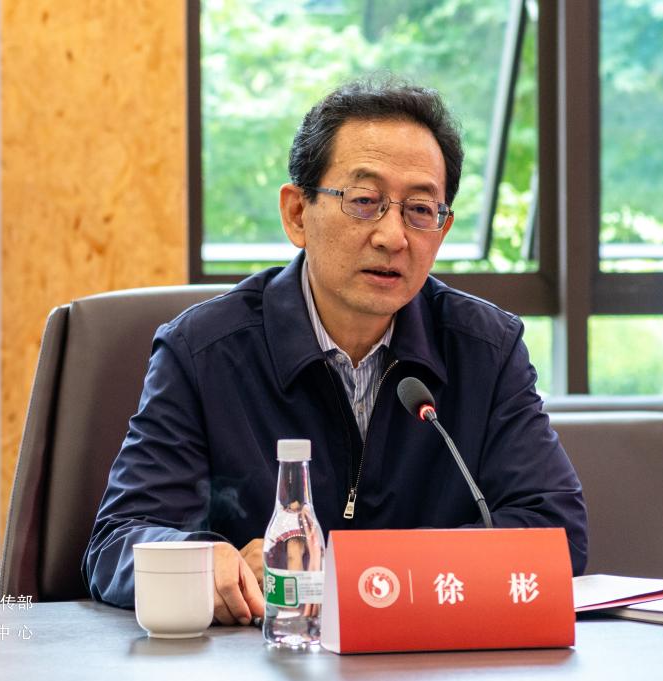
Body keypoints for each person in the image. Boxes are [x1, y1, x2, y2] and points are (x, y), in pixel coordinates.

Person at [82, 78, 587, 624]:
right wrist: (203, 563)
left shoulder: (485, 349)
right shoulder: (202, 353)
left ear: (441, 231)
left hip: (424, 654)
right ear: (297, 214)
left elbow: (557, 533)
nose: (393, 236)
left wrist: (366, 576)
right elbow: (117, 542)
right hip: (261, 654)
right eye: (364, 201)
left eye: (420, 210)